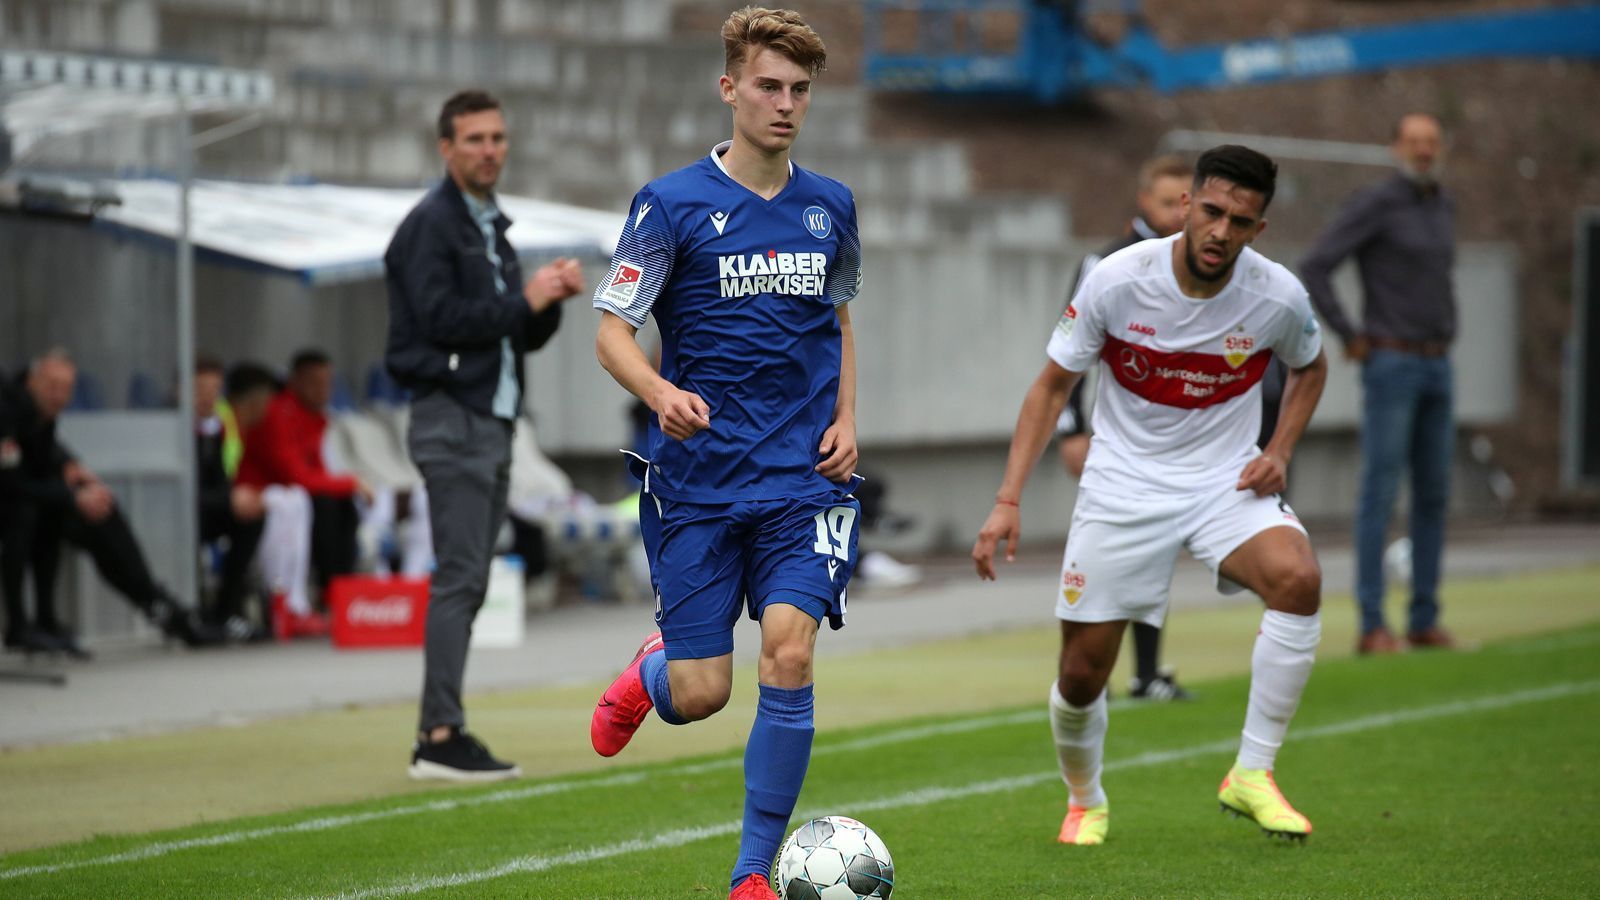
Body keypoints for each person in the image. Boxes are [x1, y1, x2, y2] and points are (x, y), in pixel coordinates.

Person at [973, 146, 1329, 846]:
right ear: (1186, 206)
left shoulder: (1277, 295)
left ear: (1259, 229)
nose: (1222, 231)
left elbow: (1312, 367)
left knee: (1299, 578)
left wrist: (1279, 449)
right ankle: (1086, 800)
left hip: (1225, 479)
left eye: (1241, 220)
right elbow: (1051, 387)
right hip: (1123, 484)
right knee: (1080, 675)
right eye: (1213, 211)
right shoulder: (1118, 279)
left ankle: (1252, 774)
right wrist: (1008, 498)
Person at [588, 9, 861, 898]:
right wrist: (660, 393)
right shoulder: (668, 205)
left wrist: (848, 418)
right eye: (770, 86)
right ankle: (653, 671)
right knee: (705, 692)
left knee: (789, 652)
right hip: (699, 486)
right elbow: (611, 333)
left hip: (801, 483)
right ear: (730, 88)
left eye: (800, 91)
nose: (786, 105)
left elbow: (841, 318)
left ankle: (752, 874)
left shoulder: (832, 206)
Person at [384, 88, 584, 781]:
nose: (489, 150)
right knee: (460, 579)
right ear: (446, 149)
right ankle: (438, 734)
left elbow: (512, 332)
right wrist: (520, 300)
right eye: (474, 139)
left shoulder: (488, 225)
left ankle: (442, 728)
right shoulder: (431, 226)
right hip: (453, 418)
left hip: (491, 420)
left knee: (466, 578)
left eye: (497, 138)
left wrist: (545, 304)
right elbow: (439, 319)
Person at [1299, 113, 1456, 655]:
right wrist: (1349, 333)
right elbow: (1315, 265)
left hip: (1439, 361)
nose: (1423, 150)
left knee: (1434, 494)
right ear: (1394, 148)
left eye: (1431, 142)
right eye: (1414, 142)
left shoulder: (1441, 204)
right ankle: (1372, 623)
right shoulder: (1376, 203)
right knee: (1381, 492)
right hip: (1391, 362)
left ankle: (1424, 616)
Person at [1055, 154, 1192, 701]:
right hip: (1108, 437)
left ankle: (1147, 672)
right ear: (1143, 202)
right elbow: (1066, 356)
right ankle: (1088, 671)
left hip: (1165, 437)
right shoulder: (1106, 261)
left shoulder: (1194, 267)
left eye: (1187, 202)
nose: (1179, 214)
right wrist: (1070, 430)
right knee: (1102, 551)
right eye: (1168, 202)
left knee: (1157, 550)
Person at [1, 349, 222, 655]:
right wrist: (72, 495)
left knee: (99, 511)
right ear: (32, 381)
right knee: (30, 514)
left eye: (66, 389)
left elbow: (46, 454)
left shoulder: (40, 414)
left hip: (30, 498)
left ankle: (153, 601)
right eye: (53, 386)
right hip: (13, 503)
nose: (60, 396)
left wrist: (74, 468)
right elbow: (11, 481)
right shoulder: (10, 408)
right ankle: (20, 626)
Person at [235, 349, 369, 602]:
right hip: (265, 495)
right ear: (296, 382)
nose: (324, 391)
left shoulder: (316, 417)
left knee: (344, 504)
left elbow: (316, 470)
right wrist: (350, 482)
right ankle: (301, 598)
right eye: (315, 384)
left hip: (291, 496)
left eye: (328, 384)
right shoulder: (277, 413)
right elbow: (295, 476)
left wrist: (347, 487)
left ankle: (341, 593)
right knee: (323, 504)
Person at [195, 357, 277, 640]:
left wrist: (237, 498)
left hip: (209, 507)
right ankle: (193, 612)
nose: (208, 397)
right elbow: (183, 492)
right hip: (179, 514)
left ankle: (226, 612)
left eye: (214, 389)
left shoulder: (215, 427)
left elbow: (219, 479)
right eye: (201, 389)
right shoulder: (174, 430)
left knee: (252, 517)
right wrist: (228, 499)